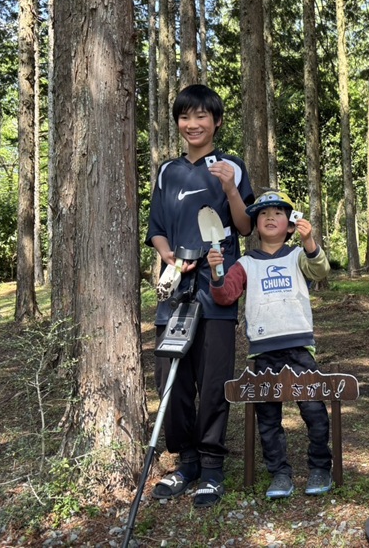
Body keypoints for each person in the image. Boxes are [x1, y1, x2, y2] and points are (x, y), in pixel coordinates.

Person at [144, 84, 254, 509]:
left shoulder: (231, 166)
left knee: (212, 381)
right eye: (185, 117)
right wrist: (166, 251)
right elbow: (155, 226)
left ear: (217, 121)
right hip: (175, 287)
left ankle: (211, 468)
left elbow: (245, 228)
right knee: (169, 377)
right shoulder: (167, 171)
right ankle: (185, 462)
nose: (192, 124)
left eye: (201, 117)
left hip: (216, 287)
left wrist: (229, 188)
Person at [207, 190, 333, 500]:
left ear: (290, 224)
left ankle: (320, 466)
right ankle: (279, 472)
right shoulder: (247, 262)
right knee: (268, 418)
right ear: (255, 223)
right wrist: (216, 270)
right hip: (263, 351)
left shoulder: (297, 256)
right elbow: (225, 295)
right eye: (263, 213)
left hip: (300, 348)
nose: (270, 217)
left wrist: (309, 242)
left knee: (314, 411)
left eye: (278, 212)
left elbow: (321, 271)